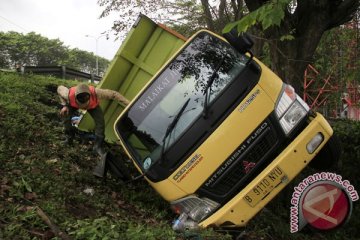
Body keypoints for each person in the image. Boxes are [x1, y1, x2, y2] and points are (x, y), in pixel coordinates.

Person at [57, 83, 130, 155]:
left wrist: (129, 103)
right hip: (73, 105)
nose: (83, 106)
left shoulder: (96, 92)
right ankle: (69, 138)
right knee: (65, 116)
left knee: (100, 123)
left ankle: (97, 146)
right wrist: (64, 105)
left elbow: (114, 94)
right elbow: (59, 88)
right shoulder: (67, 94)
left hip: (93, 106)